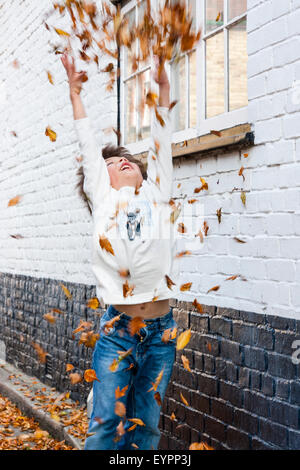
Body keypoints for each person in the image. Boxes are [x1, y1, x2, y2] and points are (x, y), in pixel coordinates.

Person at [61, 51, 181, 450]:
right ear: (101, 178)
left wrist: (163, 90)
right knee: (107, 424)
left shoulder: (155, 192)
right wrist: (75, 91)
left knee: (146, 424)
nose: (123, 161)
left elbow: (161, 142)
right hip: (118, 333)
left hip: (161, 334)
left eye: (127, 158)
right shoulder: (105, 201)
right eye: (113, 162)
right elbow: (87, 140)